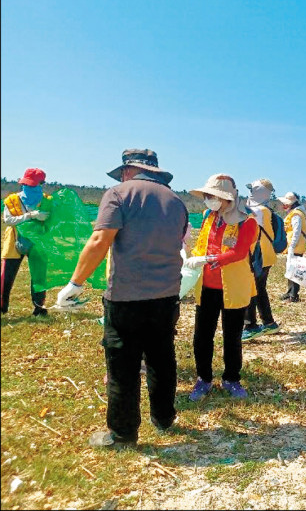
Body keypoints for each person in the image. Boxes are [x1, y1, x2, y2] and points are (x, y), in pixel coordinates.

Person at [56, 149, 188, 447]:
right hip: (167, 295)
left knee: (123, 365)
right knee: (162, 358)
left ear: (128, 171)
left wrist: (76, 282)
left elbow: (101, 239)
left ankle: (123, 433)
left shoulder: (118, 194)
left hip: (127, 296)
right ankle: (164, 417)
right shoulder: (177, 202)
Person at [185, 174, 257, 401]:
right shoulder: (208, 217)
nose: (209, 200)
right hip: (206, 286)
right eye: (207, 196)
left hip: (233, 288)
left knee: (232, 336)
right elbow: (201, 244)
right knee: (202, 335)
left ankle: (231, 378)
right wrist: (192, 259)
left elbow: (239, 252)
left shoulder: (248, 222)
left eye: (213, 196)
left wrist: (207, 259)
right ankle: (203, 379)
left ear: (228, 199)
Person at [2, 168, 52, 317]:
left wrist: (47, 219)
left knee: (38, 276)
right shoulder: (12, 200)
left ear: (41, 184)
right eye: (26, 184)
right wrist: (31, 216)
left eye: (32, 185)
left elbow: (53, 222)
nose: (28, 187)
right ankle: (2, 306)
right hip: (14, 240)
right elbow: (8, 220)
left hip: (38, 242)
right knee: (6, 275)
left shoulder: (46, 201)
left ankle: (39, 308)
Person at [241, 178, 280, 340]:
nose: (250, 192)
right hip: (266, 254)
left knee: (250, 289)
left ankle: (251, 325)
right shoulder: (265, 209)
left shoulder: (259, 211)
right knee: (259, 289)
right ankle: (269, 322)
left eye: (253, 189)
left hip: (258, 255)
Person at [278, 191, 306, 303]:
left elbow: (296, 231)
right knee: (291, 270)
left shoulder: (296, 214)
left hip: (295, 246)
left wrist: (292, 245)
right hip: (293, 246)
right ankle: (290, 292)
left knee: (294, 271)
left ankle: (293, 295)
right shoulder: (295, 213)